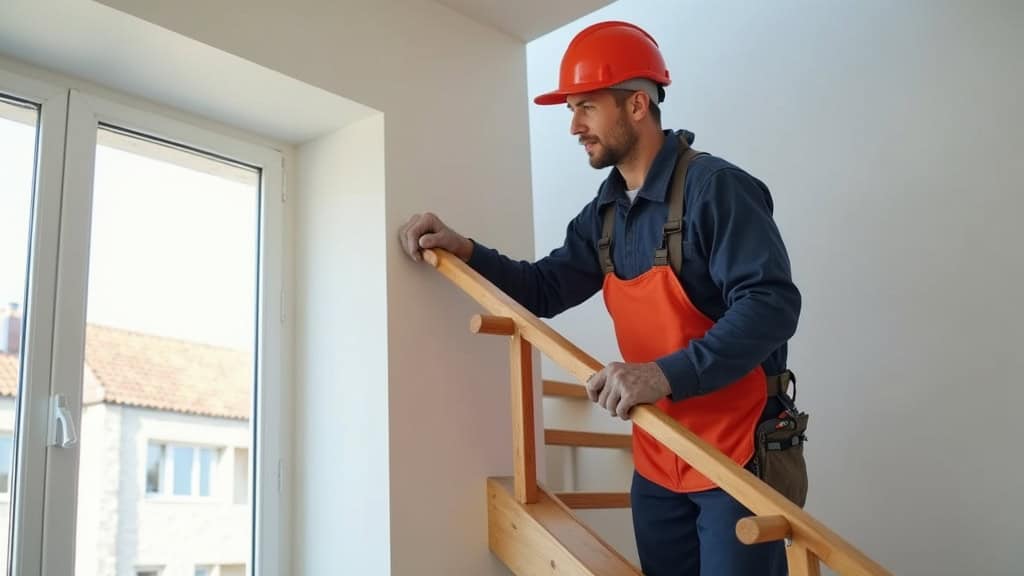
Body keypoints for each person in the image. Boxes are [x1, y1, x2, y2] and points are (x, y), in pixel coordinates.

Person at [399, 20, 800, 576]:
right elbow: (543, 287)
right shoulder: (607, 212)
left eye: (585, 106)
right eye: (570, 109)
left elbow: (771, 306)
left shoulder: (716, 189)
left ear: (637, 104)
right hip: (659, 458)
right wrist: (464, 248)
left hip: (734, 456)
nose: (573, 126)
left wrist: (661, 374)